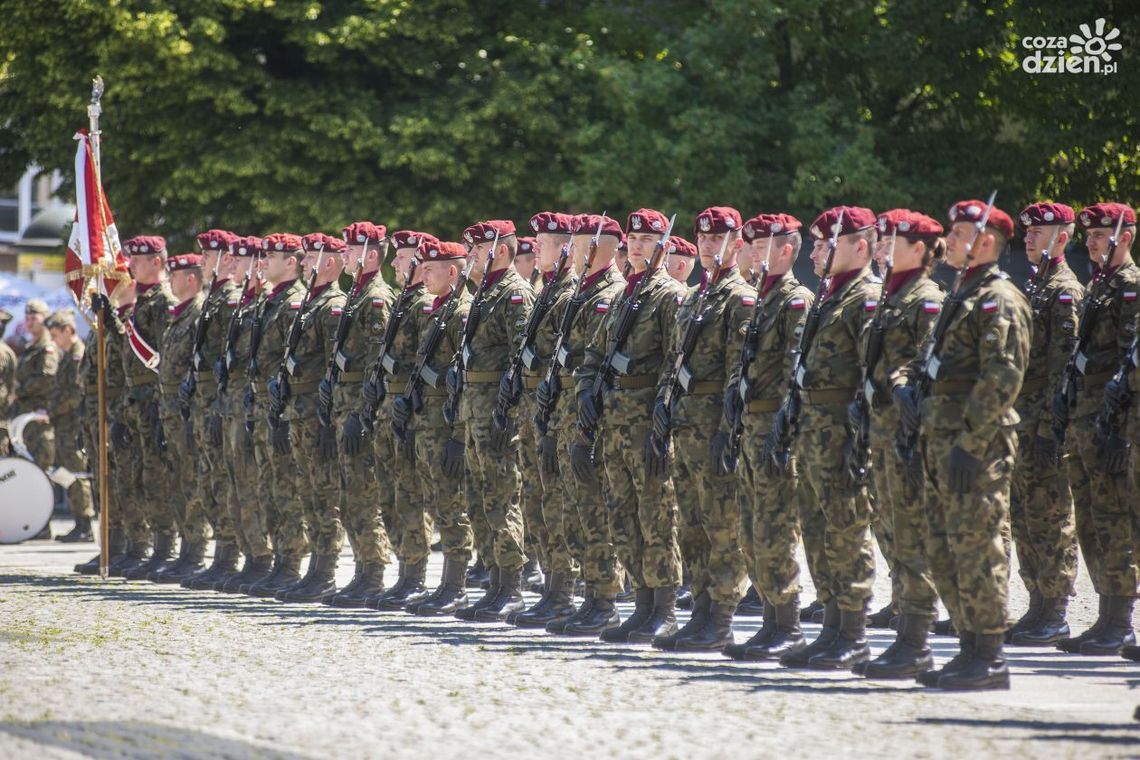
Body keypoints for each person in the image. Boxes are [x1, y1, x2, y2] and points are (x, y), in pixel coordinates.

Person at [903, 199, 1029, 690]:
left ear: (988, 242)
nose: (949, 242)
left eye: (958, 234)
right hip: (940, 439)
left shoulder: (998, 298)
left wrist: (972, 442)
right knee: (943, 548)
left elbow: (1003, 374)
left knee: (977, 547)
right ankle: (967, 646)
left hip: (973, 446)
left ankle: (989, 655)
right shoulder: (961, 294)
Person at [772, 206, 880, 671]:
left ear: (860, 246)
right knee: (818, 530)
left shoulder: (865, 297)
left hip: (843, 432)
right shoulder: (828, 295)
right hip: (813, 428)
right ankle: (832, 626)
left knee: (846, 530)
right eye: (815, 243)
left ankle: (853, 633)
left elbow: (871, 374)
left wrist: (861, 437)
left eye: (824, 244)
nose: (815, 251)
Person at [575, 207, 686, 645]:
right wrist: (586, 392)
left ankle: (665, 608)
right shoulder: (625, 295)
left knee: (656, 513)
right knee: (624, 515)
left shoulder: (668, 295)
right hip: (615, 418)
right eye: (633, 239)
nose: (637, 246)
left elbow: (674, 362)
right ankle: (641, 604)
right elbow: (593, 353)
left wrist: (662, 416)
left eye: (646, 240)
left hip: (646, 420)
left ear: (662, 245)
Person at [651, 206, 753, 652]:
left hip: (714, 429)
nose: (711, 244)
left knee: (722, 525)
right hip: (685, 425)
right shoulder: (695, 297)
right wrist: (663, 408)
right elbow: (674, 361)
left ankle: (722, 616)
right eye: (705, 238)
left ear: (738, 243)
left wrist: (727, 431)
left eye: (720, 237)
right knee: (691, 524)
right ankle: (701, 610)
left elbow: (739, 371)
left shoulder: (739, 297)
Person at [853, 209, 946, 679]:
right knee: (892, 528)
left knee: (912, 533)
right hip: (882, 428)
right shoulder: (893, 298)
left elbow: (926, 365)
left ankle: (916, 639)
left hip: (908, 432)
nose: (884, 247)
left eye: (894, 241)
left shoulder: (925, 298)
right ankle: (905, 633)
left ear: (920, 250)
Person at [722, 212, 814, 661]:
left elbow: (796, 371)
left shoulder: (796, 301)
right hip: (750, 426)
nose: (753, 253)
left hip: (775, 428)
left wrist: (784, 428)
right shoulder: (762, 299)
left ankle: (788, 623)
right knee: (752, 530)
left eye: (762, 246)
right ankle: (770, 621)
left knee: (776, 529)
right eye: (750, 245)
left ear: (786, 251)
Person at [1055, 202, 1139, 656]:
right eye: (1088, 235)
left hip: (1111, 422)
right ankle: (1107, 617)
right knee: (1089, 520)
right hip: (1084, 419)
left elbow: (1128, 363)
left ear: (1125, 237)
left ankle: (1121, 620)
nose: (1091, 242)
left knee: (1115, 522)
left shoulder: (1130, 287)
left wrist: (1118, 428)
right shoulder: (1099, 286)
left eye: (1101, 234)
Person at [543, 214, 627, 636]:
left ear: (602, 246)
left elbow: (596, 362)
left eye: (578, 242)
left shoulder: (611, 294)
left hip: (591, 416)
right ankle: (590, 596)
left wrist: (584, 424)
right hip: (566, 411)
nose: (571, 249)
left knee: (596, 509)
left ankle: (605, 599)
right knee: (576, 511)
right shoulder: (579, 292)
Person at [1006, 203, 1082, 646]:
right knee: (1024, 516)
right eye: (1028, 231)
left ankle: (1055, 610)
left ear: (1062, 237)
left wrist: (1052, 426)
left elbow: (1063, 365)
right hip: (1023, 418)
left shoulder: (1064, 290)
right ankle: (1037, 603)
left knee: (1050, 515)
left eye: (1039, 231)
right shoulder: (1036, 287)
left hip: (1043, 421)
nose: (1029, 238)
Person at [452, 219, 536, 623]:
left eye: (476, 249)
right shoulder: (484, 293)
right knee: (481, 497)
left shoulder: (514, 293)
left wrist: (510, 414)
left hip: (498, 411)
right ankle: (494, 580)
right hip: (477, 407)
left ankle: (512, 586)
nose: (469, 256)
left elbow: (521, 360)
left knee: (503, 498)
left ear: (500, 250)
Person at [508, 211, 579, 628]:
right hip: (536, 409)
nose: (537, 247)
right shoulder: (547, 290)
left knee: (557, 504)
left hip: (557, 411)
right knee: (537, 502)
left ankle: (566, 592)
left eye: (546, 242)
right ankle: (553, 588)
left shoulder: (567, 293)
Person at [401, 237, 478, 617]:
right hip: (427, 422)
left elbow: (461, 379)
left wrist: (458, 436)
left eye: (429, 268)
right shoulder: (435, 310)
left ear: (452, 272)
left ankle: (456, 586)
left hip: (448, 425)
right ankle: (443, 585)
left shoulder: (461, 313)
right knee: (437, 502)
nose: (422, 273)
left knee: (453, 506)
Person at [269, 232, 349, 603]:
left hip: (316, 411)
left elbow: (334, 366)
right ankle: (313, 567)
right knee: (307, 492)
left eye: (311, 257)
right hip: (297, 409)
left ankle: (325, 569)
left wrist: (328, 418)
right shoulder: (311, 303)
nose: (303, 263)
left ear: (329, 263)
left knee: (324, 493)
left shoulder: (332, 304)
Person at [324, 221, 397, 608]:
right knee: (349, 494)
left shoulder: (376, 298)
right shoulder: (357, 295)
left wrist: (361, 412)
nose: (344, 256)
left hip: (360, 407)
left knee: (364, 494)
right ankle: (362, 571)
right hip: (343, 401)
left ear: (370, 255)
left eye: (350, 251)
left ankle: (374, 572)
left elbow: (377, 361)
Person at [365, 230, 435, 612]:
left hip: (410, 410)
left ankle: (416, 575)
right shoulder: (404, 302)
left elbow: (426, 362)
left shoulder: (424, 304)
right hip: (389, 407)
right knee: (391, 496)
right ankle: (405, 572)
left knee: (411, 496)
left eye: (402, 257)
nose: (394, 263)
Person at [242, 234, 310, 598]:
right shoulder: (270, 302)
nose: (263, 261)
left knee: (287, 489)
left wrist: (282, 412)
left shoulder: (294, 303)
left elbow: (292, 364)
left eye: (272, 256)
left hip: (284, 408)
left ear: (292, 262)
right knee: (269, 486)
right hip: (264, 406)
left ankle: (291, 561)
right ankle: (277, 560)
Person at [181, 229, 242, 589]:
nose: (203, 262)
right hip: (208, 402)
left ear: (227, 259)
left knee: (226, 480)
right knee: (212, 481)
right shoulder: (215, 298)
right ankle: (223, 554)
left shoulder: (230, 298)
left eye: (209, 256)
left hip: (221, 402)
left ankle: (230, 555)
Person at [115, 237, 179, 580]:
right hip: (134, 401)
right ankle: (142, 545)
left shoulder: (162, 302)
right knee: (135, 475)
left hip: (154, 399)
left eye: (137, 261)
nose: (130, 267)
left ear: (156, 262)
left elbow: (163, 358)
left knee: (157, 476)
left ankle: (165, 546)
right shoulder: (138, 303)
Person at [216, 236, 276, 592]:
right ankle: (249, 554)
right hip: (237, 404)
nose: (232, 268)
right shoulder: (246, 304)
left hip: (259, 406)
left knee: (256, 485)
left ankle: (262, 555)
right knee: (237, 485)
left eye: (242, 262)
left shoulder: (267, 305)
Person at [150, 252, 213, 584]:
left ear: (190, 278)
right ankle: (186, 550)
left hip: (189, 408)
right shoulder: (181, 314)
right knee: (178, 480)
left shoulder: (199, 312)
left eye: (173, 276)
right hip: (172, 408)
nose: (168, 282)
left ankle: (196, 550)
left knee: (192, 481)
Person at [45, 309, 95, 542]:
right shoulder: (67, 355)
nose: (53, 341)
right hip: (64, 425)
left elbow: (75, 395)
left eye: (56, 335)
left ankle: (84, 525)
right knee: (69, 473)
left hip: (73, 424)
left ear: (68, 330)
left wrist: (51, 411)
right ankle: (79, 522)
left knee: (77, 473)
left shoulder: (77, 355)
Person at [11, 299, 58, 484]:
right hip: (24, 418)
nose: (29, 323)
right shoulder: (30, 347)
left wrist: (19, 390)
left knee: (40, 471)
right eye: (27, 318)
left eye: (34, 318)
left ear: (45, 320)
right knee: (26, 471)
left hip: (39, 417)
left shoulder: (47, 348)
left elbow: (46, 378)